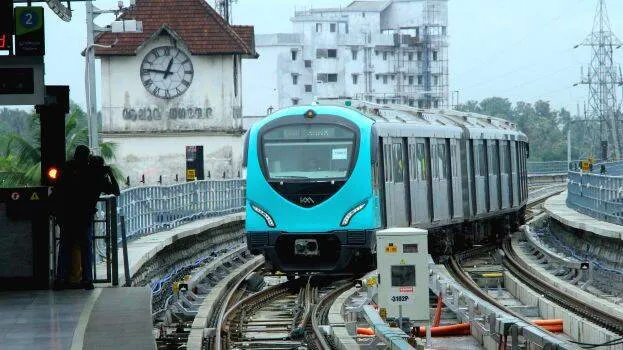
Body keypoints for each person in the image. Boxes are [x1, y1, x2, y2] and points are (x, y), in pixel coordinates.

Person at [52, 145, 93, 290]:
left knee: (64, 248)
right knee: (86, 249)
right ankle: (87, 279)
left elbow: (57, 190)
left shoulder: (65, 169)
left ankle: (60, 279)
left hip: (67, 217)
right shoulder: (90, 171)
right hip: (84, 217)